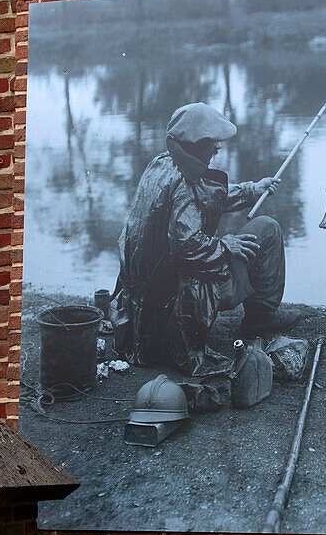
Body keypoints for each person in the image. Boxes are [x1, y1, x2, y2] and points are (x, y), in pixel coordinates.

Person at [114, 102, 302, 376]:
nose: (217, 148)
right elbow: (187, 246)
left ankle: (258, 314)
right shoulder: (183, 185)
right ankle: (261, 317)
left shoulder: (163, 164)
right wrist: (226, 245)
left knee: (254, 232)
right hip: (179, 297)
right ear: (194, 144)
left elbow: (204, 197)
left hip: (147, 300)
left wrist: (251, 190)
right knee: (268, 229)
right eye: (211, 142)